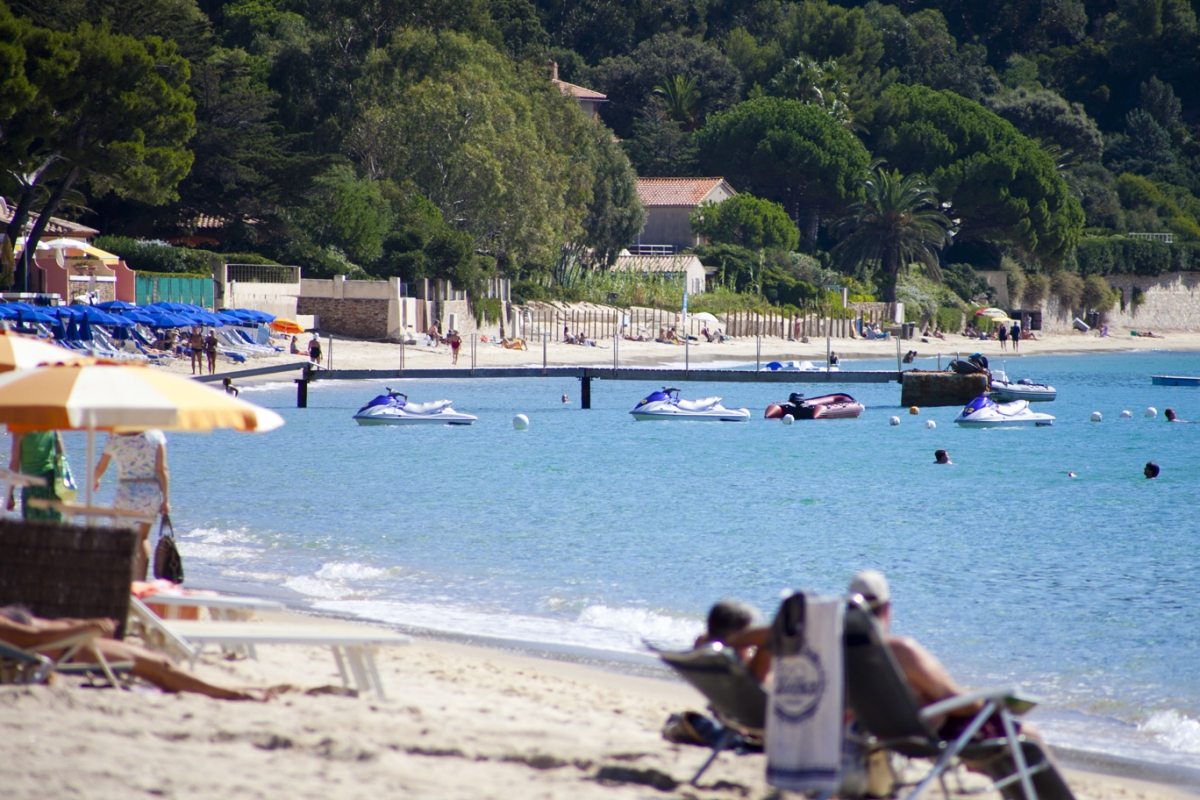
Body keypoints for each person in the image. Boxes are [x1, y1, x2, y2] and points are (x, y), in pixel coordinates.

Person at [0, 605, 263, 700]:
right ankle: (233, 694)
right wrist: (85, 627)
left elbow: (36, 631)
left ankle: (232, 690)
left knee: (160, 664)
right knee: (160, 665)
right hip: (72, 647)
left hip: (72, 641)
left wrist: (78, 625)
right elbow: (32, 638)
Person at [94, 430, 169, 581]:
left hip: (126, 492)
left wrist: (96, 479)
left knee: (121, 538)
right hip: (149, 491)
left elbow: (101, 465)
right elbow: (162, 469)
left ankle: (121, 579)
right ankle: (139, 582)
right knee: (142, 538)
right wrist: (166, 499)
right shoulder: (156, 435)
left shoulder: (114, 437)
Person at [6, 431, 69, 521]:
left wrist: (10, 493)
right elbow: (61, 456)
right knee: (54, 527)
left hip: (31, 485)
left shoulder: (20, 428)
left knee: (32, 528)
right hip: (51, 482)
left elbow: (15, 464)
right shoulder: (52, 423)